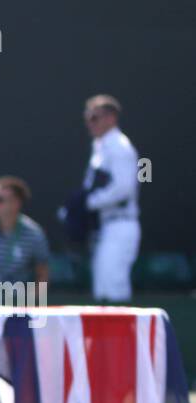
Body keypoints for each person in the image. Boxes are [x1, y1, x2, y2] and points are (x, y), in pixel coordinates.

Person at [81, 94, 140, 301]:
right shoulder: (100, 147)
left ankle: (122, 334)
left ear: (111, 118)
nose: (90, 123)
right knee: (102, 291)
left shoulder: (120, 147)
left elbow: (124, 189)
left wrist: (88, 203)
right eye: (88, 118)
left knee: (115, 291)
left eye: (95, 118)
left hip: (120, 225)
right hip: (104, 227)